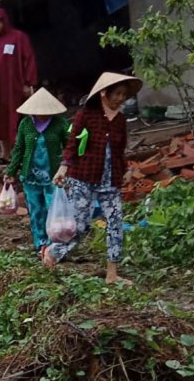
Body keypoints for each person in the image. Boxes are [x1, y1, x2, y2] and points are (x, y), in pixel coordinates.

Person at [43, 72, 142, 285]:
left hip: (110, 180)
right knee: (79, 224)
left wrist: (124, 170)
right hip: (83, 177)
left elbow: (120, 149)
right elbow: (71, 145)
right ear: (104, 93)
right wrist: (63, 168)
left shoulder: (121, 120)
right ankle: (53, 252)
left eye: (124, 95)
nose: (120, 99)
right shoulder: (86, 115)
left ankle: (112, 274)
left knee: (115, 223)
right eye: (117, 94)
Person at [6, 88, 71, 254]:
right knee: (36, 210)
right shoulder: (26, 125)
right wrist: (11, 172)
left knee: (53, 209)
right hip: (31, 176)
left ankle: (53, 243)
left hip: (53, 176)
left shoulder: (60, 124)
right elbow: (19, 149)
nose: (42, 115)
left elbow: (71, 146)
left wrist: (67, 165)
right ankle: (40, 243)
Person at [0, 7, 38, 154]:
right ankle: (6, 154)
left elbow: (29, 59)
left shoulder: (18, 37)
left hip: (14, 87)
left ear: (5, 21)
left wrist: (28, 82)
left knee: (22, 118)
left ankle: (29, 151)